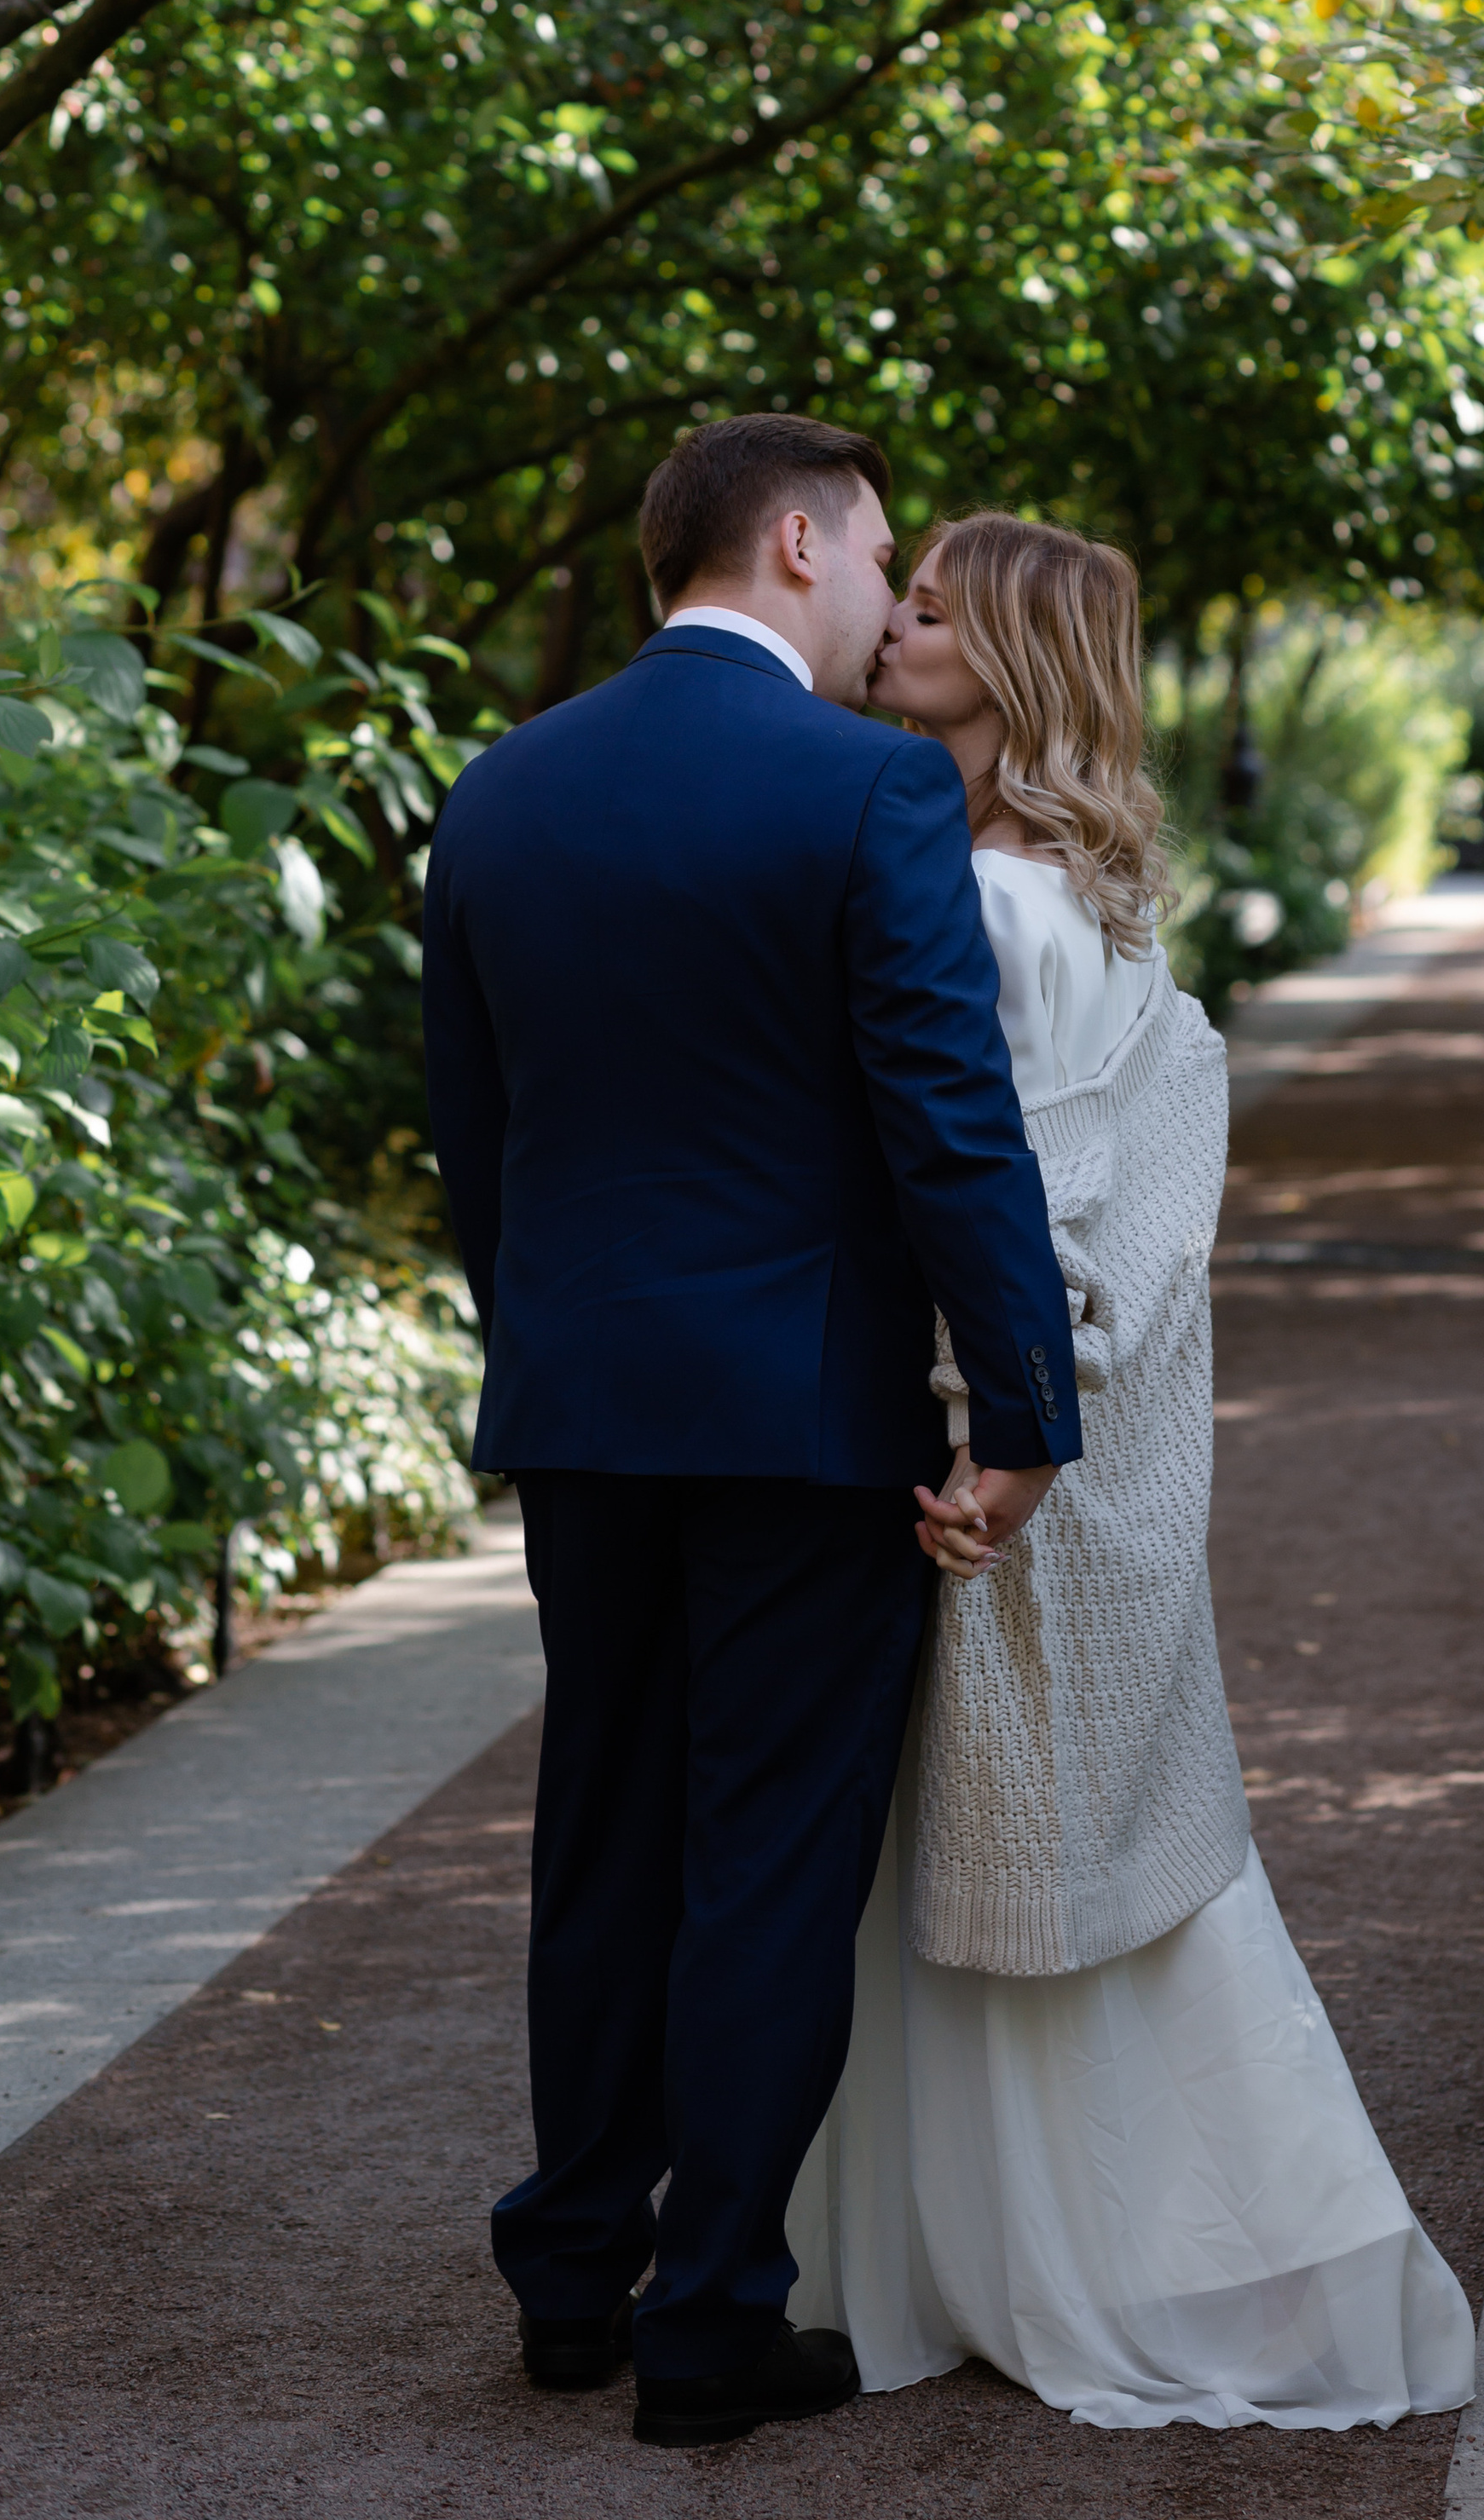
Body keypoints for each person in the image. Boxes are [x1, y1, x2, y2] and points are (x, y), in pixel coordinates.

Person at [420, 419, 1082, 2450]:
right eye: (883, 559)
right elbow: (944, 1123)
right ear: (792, 542)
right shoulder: (867, 784)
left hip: (585, 1403)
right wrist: (1024, 1405)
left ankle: (563, 2276)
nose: (896, 604)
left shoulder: (500, 789)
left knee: (602, 1827)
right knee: (768, 1863)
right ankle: (709, 2321)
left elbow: (478, 1141)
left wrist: (543, 1349)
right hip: (803, 1416)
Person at [785, 512, 1477, 2434]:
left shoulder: (985, 904)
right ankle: (1116, 2239)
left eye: (927, 608)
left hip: (988, 1436)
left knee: (955, 1855)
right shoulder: (1097, 898)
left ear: (1006, 659)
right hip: (1084, 1444)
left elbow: (1003, 1197)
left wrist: (983, 1429)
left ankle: (973, 2258)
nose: (894, 622)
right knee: (1087, 1855)